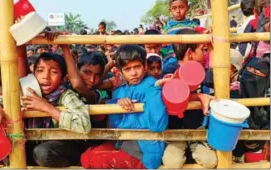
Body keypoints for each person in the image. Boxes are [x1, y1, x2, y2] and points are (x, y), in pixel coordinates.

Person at [0, 52, 92, 167]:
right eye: (40, 70)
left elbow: (84, 124)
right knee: (11, 152)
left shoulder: (66, 95)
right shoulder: (27, 91)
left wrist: (47, 107)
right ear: (33, 74)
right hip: (34, 142)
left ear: (63, 79)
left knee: (43, 153)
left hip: (61, 146)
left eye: (54, 72)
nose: (45, 76)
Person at [80, 45, 168, 169]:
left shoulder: (152, 86)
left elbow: (158, 125)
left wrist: (155, 89)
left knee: (95, 159)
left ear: (145, 66)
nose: (133, 73)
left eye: (137, 67)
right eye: (127, 69)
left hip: (144, 152)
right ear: (121, 72)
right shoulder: (120, 90)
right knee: (87, 156)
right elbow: (114, 126)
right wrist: (117, 103)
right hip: (123, 144)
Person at [158, 28, 217, 169]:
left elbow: (212, 82)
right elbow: (173, 95)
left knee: (211, 161)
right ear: (190, 53)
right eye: (203, 50)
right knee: (172, 163)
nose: (206, 53)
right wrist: (198, 96)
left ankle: (192, 150)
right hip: (175, 131)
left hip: (197, 130)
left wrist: (214, 49)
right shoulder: (170, 69)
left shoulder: (201, 70)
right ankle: (186, 152)